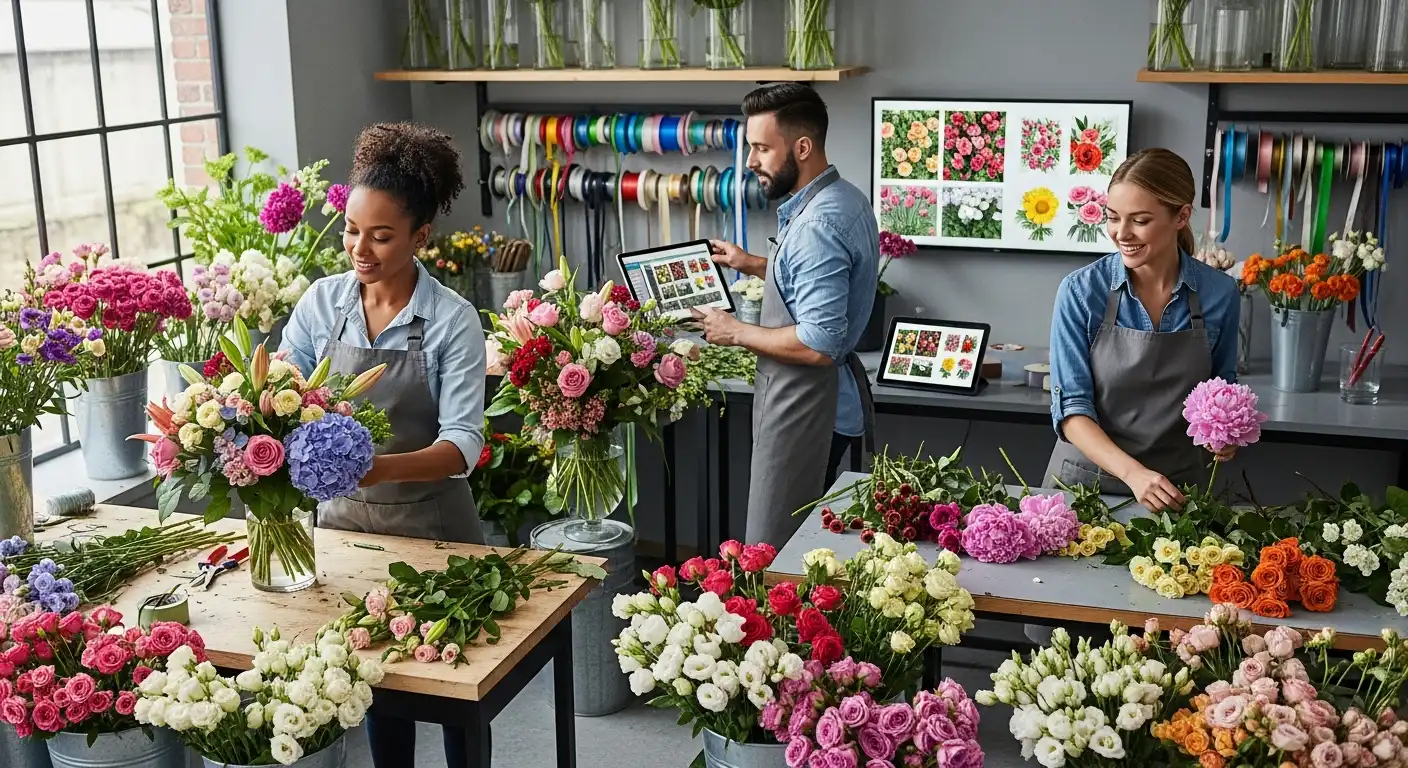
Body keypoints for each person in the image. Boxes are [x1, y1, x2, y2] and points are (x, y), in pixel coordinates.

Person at [280, 122, 486, 768]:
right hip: (343, 537)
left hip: (434, 534)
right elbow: (285, 382)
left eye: (380, 234)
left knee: (455, 694)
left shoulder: (451, 320)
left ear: (420, 237)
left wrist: (366, 468)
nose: (358, 249)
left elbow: (463, 444)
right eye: (350, 229)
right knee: (372, 689)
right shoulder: (323, 303)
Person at [693, 82, 879, 547]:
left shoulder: (817, 224)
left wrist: (734, 330)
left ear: (802, 146)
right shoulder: (844, 198)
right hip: (822, 404)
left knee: (778, 553)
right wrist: (753, 263)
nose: (751, 162)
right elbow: (813, 279)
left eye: (761, 148)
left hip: (808, 410)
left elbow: (818, 342)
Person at [1045, 148, 1242, 513]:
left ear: (1181, 216)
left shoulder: (1220, 295)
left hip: (1177, 492)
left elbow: (1221, 388)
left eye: (1140, 220)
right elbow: (1072, 411)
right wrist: (1134, 474)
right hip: (1087, 490)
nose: (1122, 233)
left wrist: (1223, 434)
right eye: (1113, 217)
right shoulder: (1080, 291)